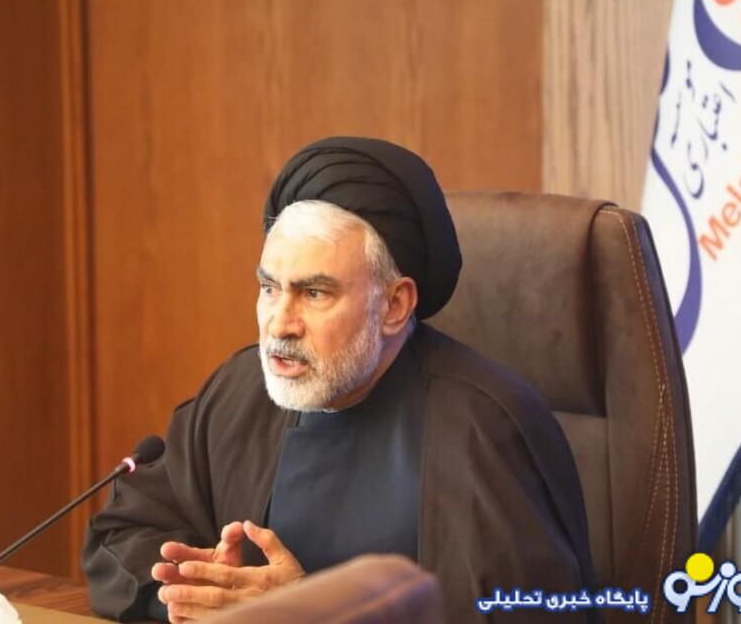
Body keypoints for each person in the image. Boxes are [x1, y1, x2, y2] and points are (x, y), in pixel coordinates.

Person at [83, 137, 597, 623]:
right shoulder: (240, 391)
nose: (279, 324)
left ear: (394, 305)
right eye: (269, 288)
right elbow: (121, 535)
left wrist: (314, 611)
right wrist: (200, 595)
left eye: (314, 293)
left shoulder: (484, 430)